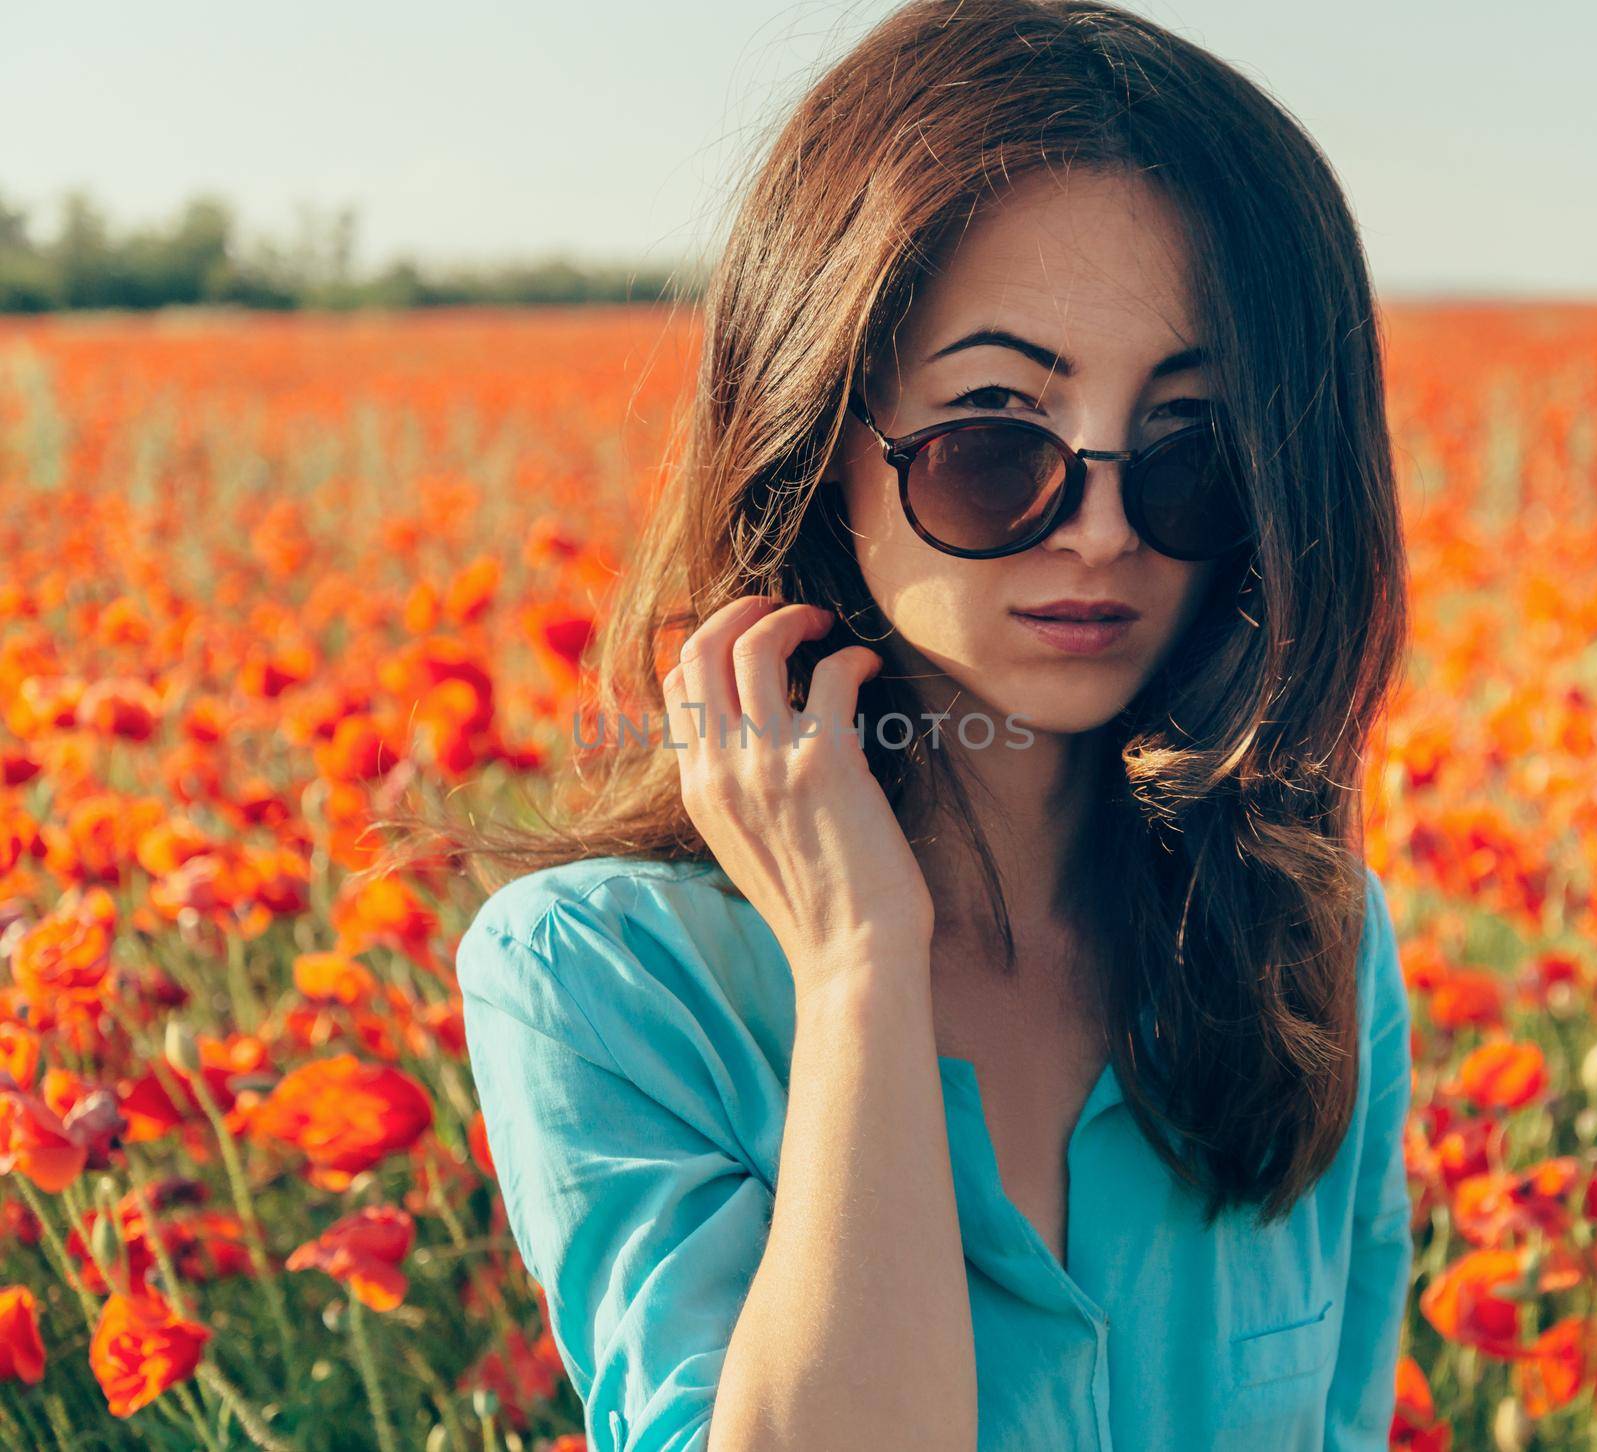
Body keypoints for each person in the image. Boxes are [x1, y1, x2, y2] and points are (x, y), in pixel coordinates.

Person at [449, 2, 1416, 1447]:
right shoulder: (610, 981)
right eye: (994, 441)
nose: (1097, 534)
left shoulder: (1308, 942)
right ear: (818, 439)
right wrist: (856, 970)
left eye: (1189, 454)